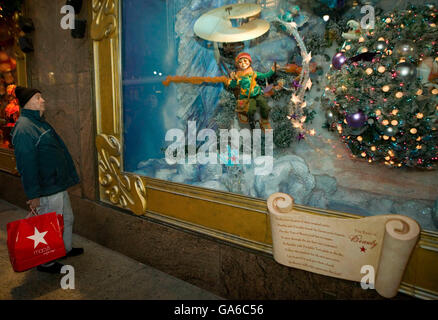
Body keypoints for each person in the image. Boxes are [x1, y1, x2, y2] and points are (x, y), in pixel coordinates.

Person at [10, 85, 84, 274]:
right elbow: (27, 166)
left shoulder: (38, 122)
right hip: (47, 189)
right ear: (28, 103)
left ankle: (64, 249)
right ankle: (47, 262)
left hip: (56, 185)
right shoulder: (24, 128)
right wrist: (33, 195)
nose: (43, 100)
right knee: (50, 227)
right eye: (38, 98)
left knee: (67, 218)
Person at [228, 52, 275, 130]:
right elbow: (232, 85)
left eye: (245, 61)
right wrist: (233, 79)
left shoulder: (253, 73)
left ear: (249, 62)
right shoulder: (239, 76)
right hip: (248, 97)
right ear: (238, 64)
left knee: (265, 107)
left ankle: (264, 122)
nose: (243, 64)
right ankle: (251, 123)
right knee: (251, 110)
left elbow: (264, 75)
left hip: (257, 95)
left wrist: (272, 70)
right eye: (240, 62)